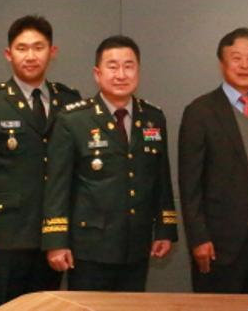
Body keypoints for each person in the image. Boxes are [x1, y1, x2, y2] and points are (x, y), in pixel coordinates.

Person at [0, 15, 81, 310]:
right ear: (8, 54)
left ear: (52, 52)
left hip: (53, 234)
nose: (30, 56)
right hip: (3, 236)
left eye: (38, 47)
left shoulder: (69, 100)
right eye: (22, 48)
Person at [41, 35, 177, 291]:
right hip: (89, 247)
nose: (121, 74)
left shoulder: (153, 117)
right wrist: (56, 241)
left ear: (138, 71)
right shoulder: (74, 120)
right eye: (112, 67)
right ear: (97, 73)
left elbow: (160, 178)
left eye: (128, 66)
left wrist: (165, 229)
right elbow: (57, 186)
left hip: (137, 244)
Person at [178, 27, 248, 293]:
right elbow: (189, 184)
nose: (244, 65)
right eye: (236, 58)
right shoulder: (200, 111)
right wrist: (198, 238)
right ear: (222, 63)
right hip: (219, 239)